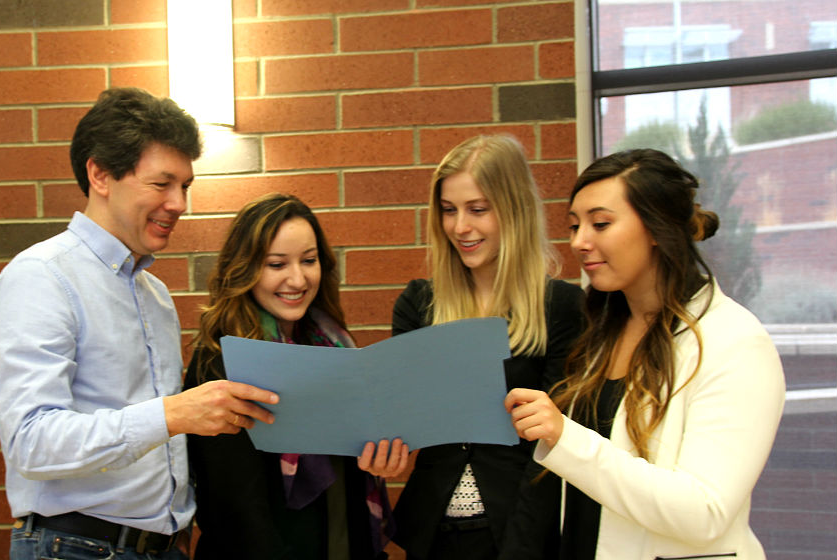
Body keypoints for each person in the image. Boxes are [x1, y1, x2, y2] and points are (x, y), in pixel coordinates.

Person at [0, 87, 280, 560]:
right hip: (75, 548)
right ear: (100, 174)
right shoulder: (41, 277)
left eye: (185, 185)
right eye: (162, 184)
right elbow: (32, 443)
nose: (179, 203)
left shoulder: (154, 296)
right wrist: (173, 414)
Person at [506, 149, 785, 559]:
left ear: (656, 227)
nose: (579, 241)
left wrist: (565, 437)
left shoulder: (734, 341)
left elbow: (705, 513)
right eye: (574, 225)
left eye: (600, 223)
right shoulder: (603, 332)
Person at [390, 135, 585, 560]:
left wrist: (520, 548)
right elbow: (402, 416)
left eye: (478, 209)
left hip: (520, 530)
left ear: (513, 210)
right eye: (448, 210)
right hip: (432, 531)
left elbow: (551, 449)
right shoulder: (419, 304)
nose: (461, 227)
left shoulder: (562, 307)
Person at [184, 192, 407, 560]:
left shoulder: (335, 346)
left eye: (309, 260)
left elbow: (349, 475)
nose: (297, 279)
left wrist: (377, 458)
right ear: (245, 268)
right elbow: (232, 509)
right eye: (277, 264)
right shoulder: (223, 361)